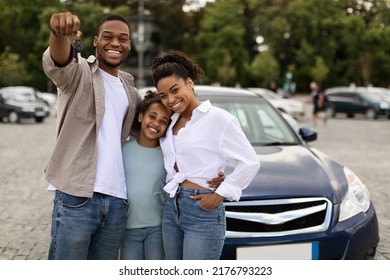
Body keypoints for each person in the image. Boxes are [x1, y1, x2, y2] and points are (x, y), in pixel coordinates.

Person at [42, 12, 142, 260]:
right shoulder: (79, 73)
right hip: (77, 195)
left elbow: (155, 131)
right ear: (96, 41)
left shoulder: (130, 90)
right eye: (108, 37)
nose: (116, 43)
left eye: (123, 39)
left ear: (129, 45)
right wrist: (59, 34)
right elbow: (60, 61)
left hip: (117, 201)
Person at [151, 50, 260, 260]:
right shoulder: (171, 121)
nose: (171, 99)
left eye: (175, 90)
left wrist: (220, 194)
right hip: (171, 206)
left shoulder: (219, 119)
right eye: (164, 95)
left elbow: (250, 162)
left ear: (189, 83)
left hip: (202, 209)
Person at [120, 90, 225, 260]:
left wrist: (219, 178)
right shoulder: (123, 150)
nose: (156, 123)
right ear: (140, 117)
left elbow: (193, 171)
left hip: (159, 228)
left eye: (163, 121)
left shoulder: (169, 154)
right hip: (127, 228)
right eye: (152, 116)